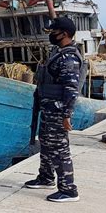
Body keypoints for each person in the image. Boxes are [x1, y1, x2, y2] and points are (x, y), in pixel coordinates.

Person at [25, 17, 81, 202]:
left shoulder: (69, 58)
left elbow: (71, 89)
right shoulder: (58, 52)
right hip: (48, 108)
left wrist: (67, 115)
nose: (51, 35)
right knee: (47, 144)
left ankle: (69, 189)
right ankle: (46, 177)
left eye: (53, 32)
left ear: (64, 34)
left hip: (58, 111)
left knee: (59, 148)